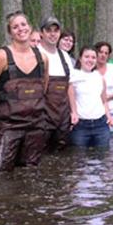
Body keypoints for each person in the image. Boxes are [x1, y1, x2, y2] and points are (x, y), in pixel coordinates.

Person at [0, 12, 49, 174]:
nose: (20, 29)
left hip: (35, 125)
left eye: (23, 25)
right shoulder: (2, 56)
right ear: (10, 32)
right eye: (15, 27)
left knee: (30, 175)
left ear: (30, 28)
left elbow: (44, 86)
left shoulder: (43, 58)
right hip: (8, 126)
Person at [36, 16, 74, 151]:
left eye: (56, 31)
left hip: (63, 116)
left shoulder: (65, 56)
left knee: (63, 155)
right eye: (49, 30)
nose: (53, 34)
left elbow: (70, 86)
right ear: (41, 33)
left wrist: (74, 112)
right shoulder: (35, 53)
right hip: (41, 116)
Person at [68, 46, 113, 147]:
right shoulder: (73, 75)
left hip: (101, 124)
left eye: (93, 57)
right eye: (86, 57)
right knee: (79, 158)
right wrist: (73, 113)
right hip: (80, 125)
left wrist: (109, 116)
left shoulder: (99, 77)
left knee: (102, 156)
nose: (90, 60)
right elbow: (70, 97)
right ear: (80, 58)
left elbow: (104, 101)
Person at [95, 42, 113, 134]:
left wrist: (109, 97)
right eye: (101, 52)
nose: (103, 55)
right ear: (96, 53)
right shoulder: (90, 68)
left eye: (106, 53)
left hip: (111, 109)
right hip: (93, 111)